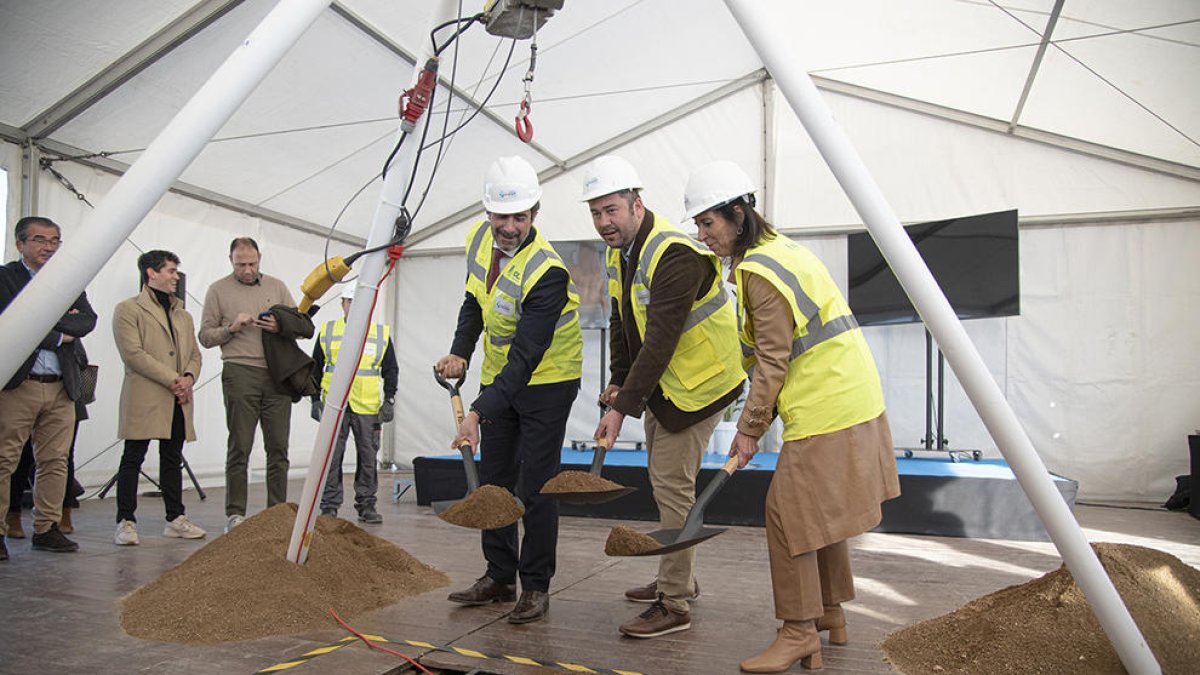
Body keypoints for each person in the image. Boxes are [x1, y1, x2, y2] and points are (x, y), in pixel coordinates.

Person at [684, 160, 901, 672]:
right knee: (818, 514)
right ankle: (829, 613)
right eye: (698, 224)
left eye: (708, 223)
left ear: (738, 215)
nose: (702, 235)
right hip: (852, 394)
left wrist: (748, 429)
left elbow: (773, 360)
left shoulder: (759, 272)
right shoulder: (783, 250)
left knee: (788, 517)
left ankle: (800, 631)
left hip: (827, 405)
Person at [584, 155, 746, 638]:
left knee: (674, 488)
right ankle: (679, 576)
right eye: (595, 213)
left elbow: (660, 341)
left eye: (611, 210)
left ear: (637, 203)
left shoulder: (675, 255)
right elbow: (621, 322)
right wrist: (618, 379)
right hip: (668, 387)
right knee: (664, 480)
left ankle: (674, 603)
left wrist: (619, 409)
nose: (604, 222)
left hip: (701, 386)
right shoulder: (619, 254)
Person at [435, 156, 583, 625]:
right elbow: (472, 301)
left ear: (534, 215)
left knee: (536, 487)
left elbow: (526, 357)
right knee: (494, 481)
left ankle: (535, 586)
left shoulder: (548, 272)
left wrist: (476, 412)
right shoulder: (479, 241)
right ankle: (499, 577)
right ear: (488, 214)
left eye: (521, 217)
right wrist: (460, 349)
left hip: (548, 381)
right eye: (502, 216)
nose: (511, 226)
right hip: (500, 379)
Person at [0, 216, 96, 559]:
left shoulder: (69, 280)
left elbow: (87, 321)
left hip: (61, 385)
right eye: (40, 240)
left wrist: (41, 327)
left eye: (55, 240)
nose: (49, 247)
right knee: (4, 459)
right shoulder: (5, 278)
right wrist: (58, 333)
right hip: (18, 385)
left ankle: (47, 528)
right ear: (20, 243)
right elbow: (11, 323)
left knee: (55, 461)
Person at [198, 237, 296, 532]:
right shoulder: (218, 290)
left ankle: (277, 512)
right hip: (239, 370)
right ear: (231, 260)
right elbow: (204, 336)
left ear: (259, 259)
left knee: (278, 447)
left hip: (276, 374)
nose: (247, 269)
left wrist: (281, 325)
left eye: (252, 263)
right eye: (241, 264)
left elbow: (300, 324)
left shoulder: (277, 286)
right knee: (240, 445)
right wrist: (231, 328)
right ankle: (235, 513)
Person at [112, 250, 208, 545]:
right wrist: (173, 379)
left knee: (172, 458)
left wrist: (189, 378)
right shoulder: (128, 309)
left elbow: (194, 354)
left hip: (178, 398)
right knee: (133, 457)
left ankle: (175, 518)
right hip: (147, 395)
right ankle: (125, 521)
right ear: (151, 273)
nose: (175, 277)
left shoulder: (183, 314)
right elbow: (133, 354)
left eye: (176, 271)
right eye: (170, 271)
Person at [310, 284, 398, 524]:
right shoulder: (328, 331)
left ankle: (367, 506)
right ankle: (329, 506)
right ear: (343, 304)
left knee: (368, 459)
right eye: (349, 301)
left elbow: (391, 369)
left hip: (367, 408)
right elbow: (315, 367)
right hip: (335, 406)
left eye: (359, 302)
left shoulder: (380, 335)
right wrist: (314, 399)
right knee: (331, 458)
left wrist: (389, 400)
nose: (354, 306)